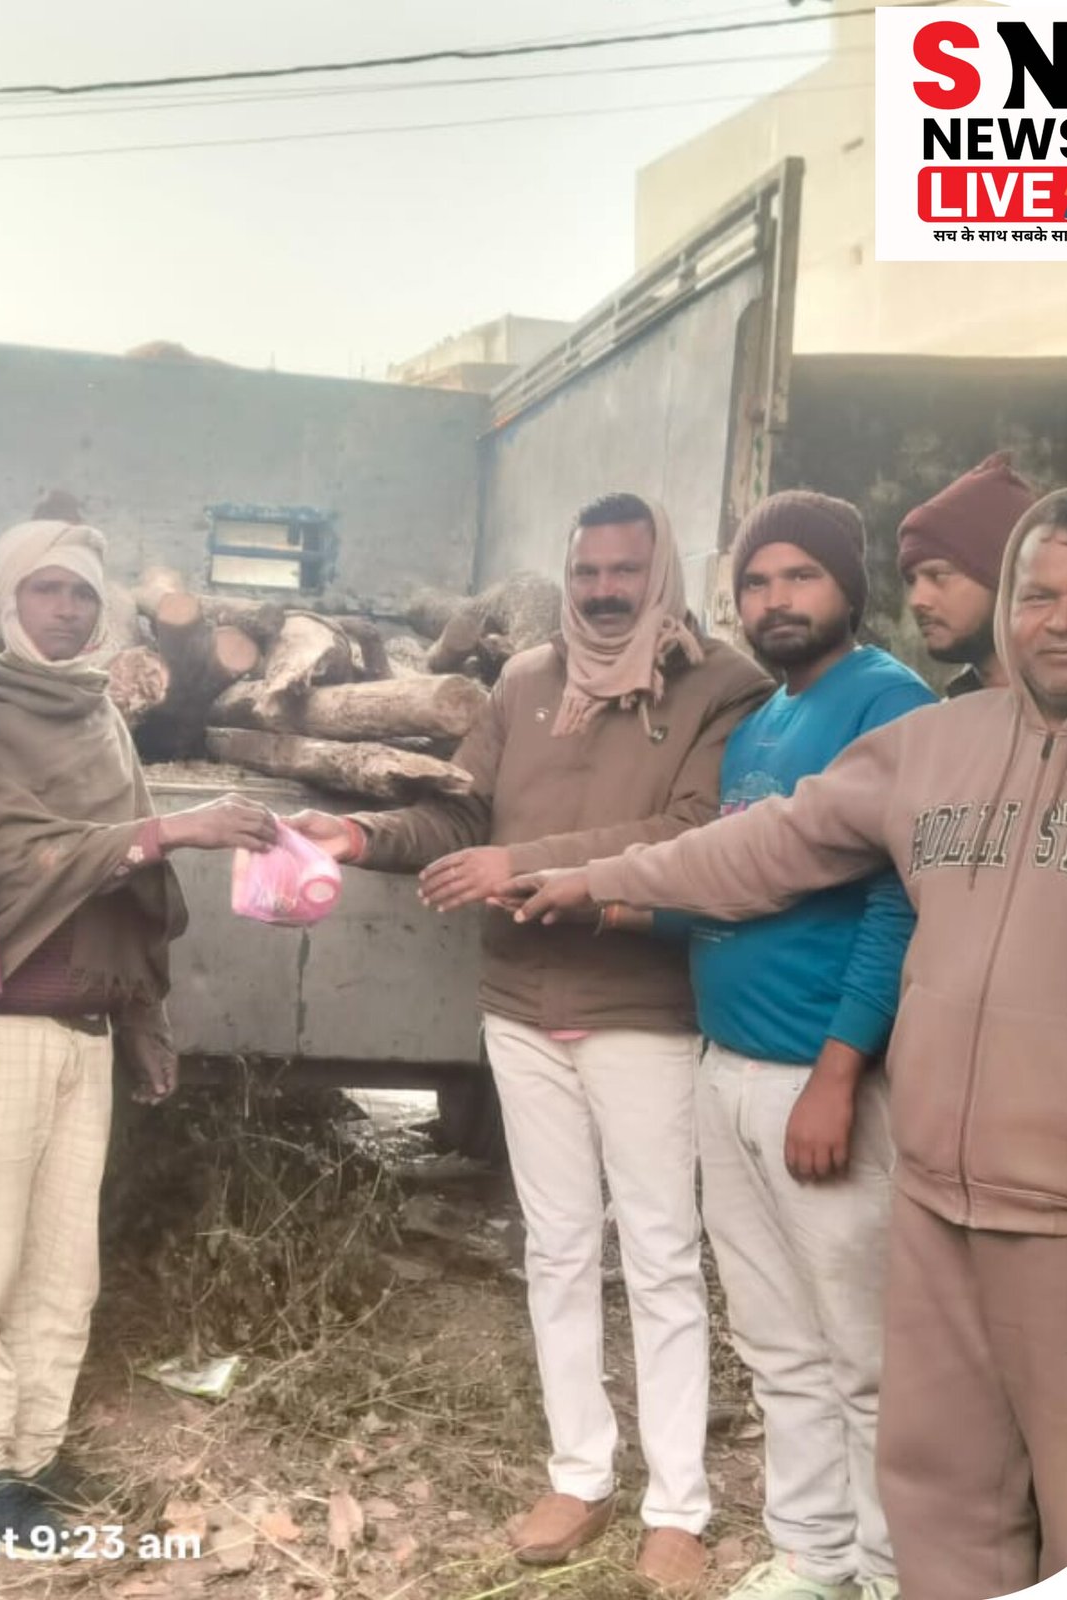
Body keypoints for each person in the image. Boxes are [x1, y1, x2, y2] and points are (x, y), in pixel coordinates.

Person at [506, 485, 1067, 1600]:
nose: (1061, 621)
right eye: (1037, 594)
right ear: (1009, 603)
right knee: (941, 1487)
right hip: (934, 1194)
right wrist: (599, 876)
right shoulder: (934, 745)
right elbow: (765, 845)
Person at [290, 493, 771, 1590]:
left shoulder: (718, 685)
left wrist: (526, 862)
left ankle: (678, 1504)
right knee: (554, 1246)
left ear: (660, 573)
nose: (602, 591)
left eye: (624, 570)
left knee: (659, 1253)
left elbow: (691, 833)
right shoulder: (524, 680)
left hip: (642, 1007)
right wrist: (361, 833)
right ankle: (579, 1473)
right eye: (586, 571)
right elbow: (464, 815)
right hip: (519, 1002)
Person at [0, 519, 275, 1549]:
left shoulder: (98, 717)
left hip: (84, 1024)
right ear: (7, 599)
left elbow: (126, 886)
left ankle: (36, 1448)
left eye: (82, 593)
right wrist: (172, 827)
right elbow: (6, 855)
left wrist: (143, 1016)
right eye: (44, 589)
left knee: (63, 1260)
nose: (65, 609)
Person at [649, 493, 932, 1600]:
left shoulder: (887, 703)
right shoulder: (764, 718)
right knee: (775, 1342)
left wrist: (840, 1069)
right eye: (757, 582)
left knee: (867, 1355)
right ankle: (814, 1554)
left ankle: (893, 1568)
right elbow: (734, 877)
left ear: (848, 588)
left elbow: (899, 902)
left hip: (820, 1079)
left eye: (800, 576)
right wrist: (593, 895)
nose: (776, 600)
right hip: (729, 1068)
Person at [898, 451, 1036, 696]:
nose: (917, 600)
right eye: (912, 580)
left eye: (938, 576)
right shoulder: (947, 714)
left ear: (1006, 577)